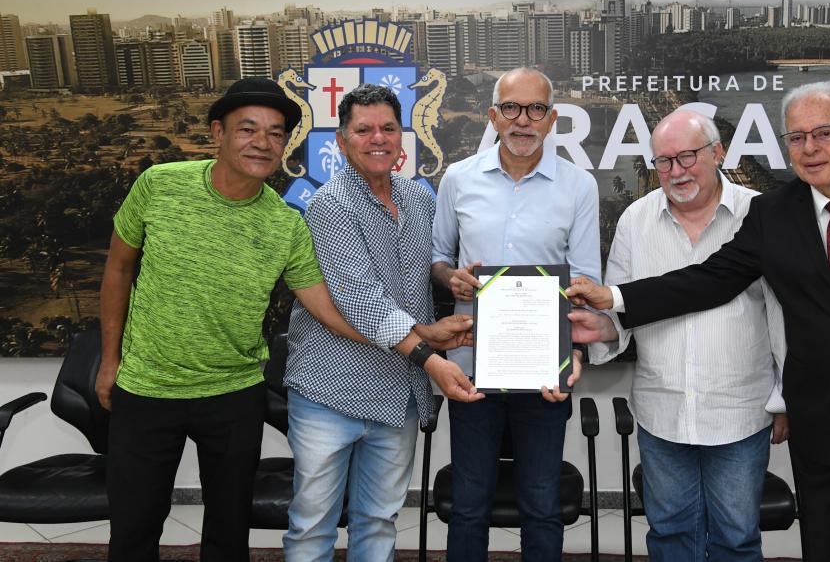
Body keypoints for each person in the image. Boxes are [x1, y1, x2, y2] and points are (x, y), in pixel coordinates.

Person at [567, 80, 830, 562]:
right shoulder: (773, 212)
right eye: (796, 137)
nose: (809, 148)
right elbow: (710, 279)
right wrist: (615, 297)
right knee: (826, 550)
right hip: (823, 427)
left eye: (824, 133)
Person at [97, 77, 371, 562]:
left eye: (275, 133)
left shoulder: (286, 224)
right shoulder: (160, 185)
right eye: (248, 129)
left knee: (229, 531)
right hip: (147, 387)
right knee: (134, 526)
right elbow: (118, 269)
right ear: (218, 133)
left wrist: (412, 339)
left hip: (234, 394)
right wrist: (109, 360)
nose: (262, 142)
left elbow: (325, 307)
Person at [571, 107, 788, 561]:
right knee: (670, 534)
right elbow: (621, 312)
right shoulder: (635, 219)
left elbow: (782, 318)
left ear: (717, 152)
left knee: (736, 539)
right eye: (664, 161)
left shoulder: (761, 214)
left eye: (687, 157)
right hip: (662, 413)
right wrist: (602, 330)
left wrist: (786, 399)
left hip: (739, 413)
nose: (676, 171)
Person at [282, 84, 482, 562]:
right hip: (330, 392)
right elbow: (362, 301)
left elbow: (427, 270)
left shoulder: (418, 198)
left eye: (388, 128)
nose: (378, 138)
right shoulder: (330, 205)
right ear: (341, 140)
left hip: (396, 394)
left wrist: (450, 277)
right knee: (312, 527)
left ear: (401, 138)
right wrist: (431, 356)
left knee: (378, 522)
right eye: (363, 129)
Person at [431, 67, 600, 561]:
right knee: (469, 504)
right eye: (511, 108)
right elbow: (438, 259)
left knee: (542, 504)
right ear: (493, 116)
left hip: (545, 370)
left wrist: (574, 355)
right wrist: (451, 278)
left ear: (552, 119)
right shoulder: (458, 179)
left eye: (535, 109)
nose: (523, 120)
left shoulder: (579, 186)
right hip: (471, 370)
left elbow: (585, 279)